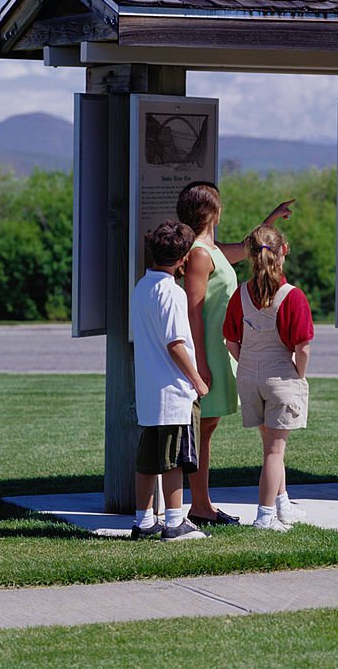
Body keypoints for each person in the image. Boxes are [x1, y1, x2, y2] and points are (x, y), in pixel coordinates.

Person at [176, 182, 294, 526]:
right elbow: (193, 312)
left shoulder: (208, 248)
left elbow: (247, 248)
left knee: (208, 426)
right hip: (207, 352)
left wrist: (271, 219)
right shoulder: (199, 253)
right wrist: (198, 363)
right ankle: (199, 505)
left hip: (215, 351)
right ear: (212, 212)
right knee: (203, 427)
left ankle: (202, 503)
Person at [223, 225, 313, 532]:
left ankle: (283, 504)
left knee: (270, 447)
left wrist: (248, 364)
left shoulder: (241, 294)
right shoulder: (293, 296)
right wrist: (298, 375)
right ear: (283, 251)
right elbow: (302, 347)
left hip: (249, 376)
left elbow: (231, 341)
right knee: (276, 451)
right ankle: (264, 515)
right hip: (280, 377)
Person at [130, 220, 211, 542]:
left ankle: (144, 520)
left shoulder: (143, 287)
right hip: (173, 390)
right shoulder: (172, 293)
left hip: (150, 389)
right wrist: (197, 380)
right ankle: (175, 522)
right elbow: (176, 343)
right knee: (174, 459)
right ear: (184, 258)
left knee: (148, 460)